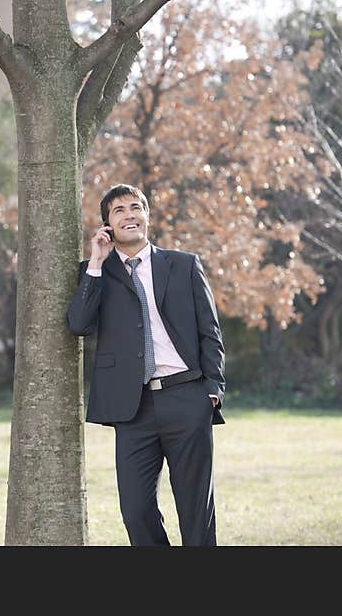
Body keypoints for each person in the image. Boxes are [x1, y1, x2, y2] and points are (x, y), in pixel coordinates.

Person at [66, 184, 225, 546]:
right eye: (118, 210)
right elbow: (78, 324)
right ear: (107, 224)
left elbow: (209, 331)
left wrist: (213, 390)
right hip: (132, 408)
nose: (129, 215)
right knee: (135, 511)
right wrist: (94, 262)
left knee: (195, 510)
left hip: (187, 396)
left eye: (135, 208)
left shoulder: (184, 265)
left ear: (147, 216)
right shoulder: (96, 273)